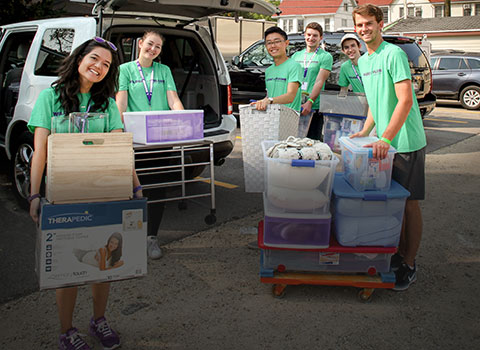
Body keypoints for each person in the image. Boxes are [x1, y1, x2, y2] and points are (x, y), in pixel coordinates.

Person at [28, 37, 137, 350]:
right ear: (78, 59)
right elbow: (40, 152)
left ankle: (98, 320)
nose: (99, 67)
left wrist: (136, 185)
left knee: (104, 262)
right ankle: (67, 330)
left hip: (103, 195)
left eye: (106, 65)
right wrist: (35, 195)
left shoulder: (106, 103)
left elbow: (120, 149)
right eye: (94, 59)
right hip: (64, 195)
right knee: (68, 269)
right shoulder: (50, 97)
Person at [351, 4, 427, 291]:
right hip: (384, 145)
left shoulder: (393, 54)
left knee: (408, 204)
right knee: (391, 204)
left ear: (380, 24)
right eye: (359, 25)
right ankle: (395, 254)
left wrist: (386, 138)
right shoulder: (363, 61)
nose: (364, 29)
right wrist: (366, 131)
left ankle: (409, 262)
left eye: (368, 23)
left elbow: (405, 100)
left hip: (405, 142)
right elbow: (375, 101)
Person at [116, 30, 184, 260]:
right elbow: (121, 101)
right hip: (135, 140)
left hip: (161, 138)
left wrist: (183, 121)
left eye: (158, 47)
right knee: (132, 189)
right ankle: (129, 237)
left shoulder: (163, 71)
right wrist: (118, 129)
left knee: (157, 188)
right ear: (140, 44)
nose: (153, 49)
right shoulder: (124, 70)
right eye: (150, 44)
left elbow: (173, 99)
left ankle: (151, 237)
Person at [291, 22, 333, 139]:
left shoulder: (325, 56)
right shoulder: (296, 56)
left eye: (315, 35)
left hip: (313, 106)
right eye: (308, 35)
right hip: (296, 105)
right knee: (294, 140)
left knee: (311, 142)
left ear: (321, 38)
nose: (311, 38)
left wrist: (310, 101)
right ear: (304, 35)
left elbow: (319, 81)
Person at [253, 26, 302, 112]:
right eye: (269, 43)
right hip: (272, 118)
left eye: (277, 41)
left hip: (288, 119)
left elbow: (290, 96)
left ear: (286, 43)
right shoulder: (269, 71)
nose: (273, 46)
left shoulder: (294, 66)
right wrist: (261, 102)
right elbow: (270, 96)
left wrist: (269, 100)